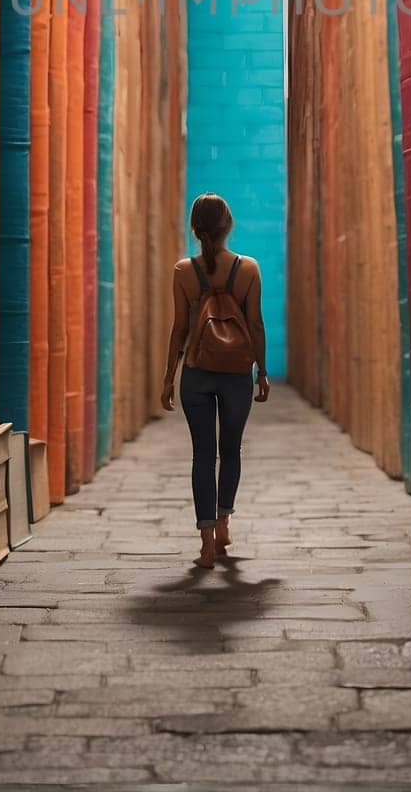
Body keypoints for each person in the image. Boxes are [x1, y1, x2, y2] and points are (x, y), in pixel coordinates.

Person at [161, 192, 270, 567]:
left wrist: (167, 378)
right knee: (232, 450)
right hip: (237, 373)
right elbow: (255, 324)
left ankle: (206, 542)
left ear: (195, 228)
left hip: (196, 372)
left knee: (203, 455)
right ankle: (224, 522)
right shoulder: (249, 269)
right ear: (228, 226)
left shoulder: (183, 271)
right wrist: (263, 372)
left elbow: (179, 329)